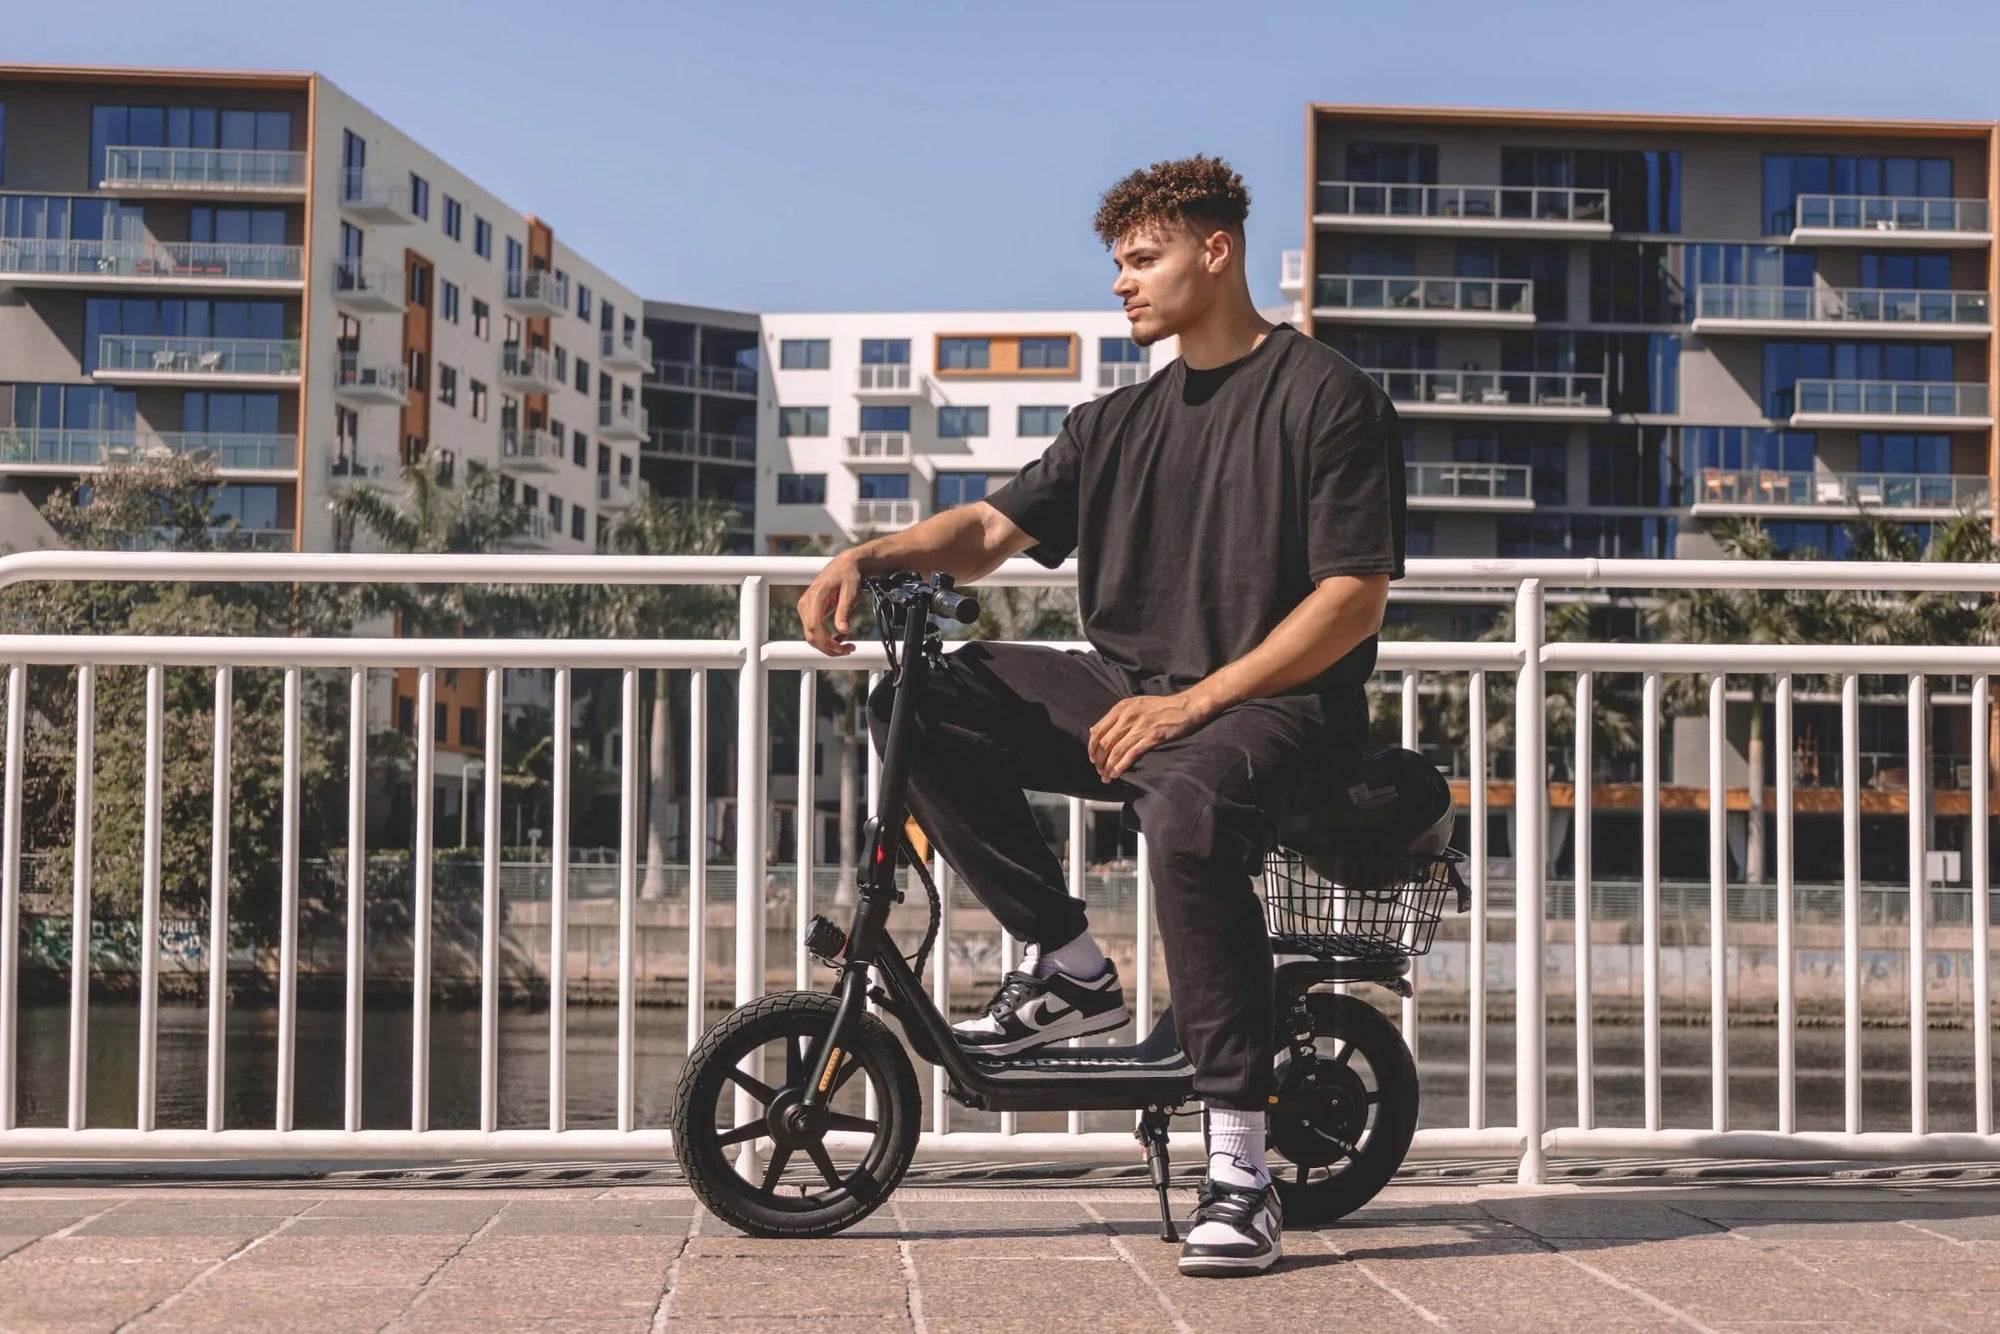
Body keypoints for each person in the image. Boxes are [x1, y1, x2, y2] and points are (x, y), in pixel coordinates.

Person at [795, 155, 1406, 1276]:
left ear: (1212, 252)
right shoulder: (1114, 421)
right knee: (917, 697)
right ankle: (1068, 960)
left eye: (1142, 259)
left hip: (1273, 707)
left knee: (1186, 807)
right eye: (1116, 263)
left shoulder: (1326, 395)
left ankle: (1238, 1165)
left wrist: (1198, 700)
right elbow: (986, 531)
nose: (1122, 284)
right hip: (1133, 691)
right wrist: (866, 552)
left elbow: (1349, 595)